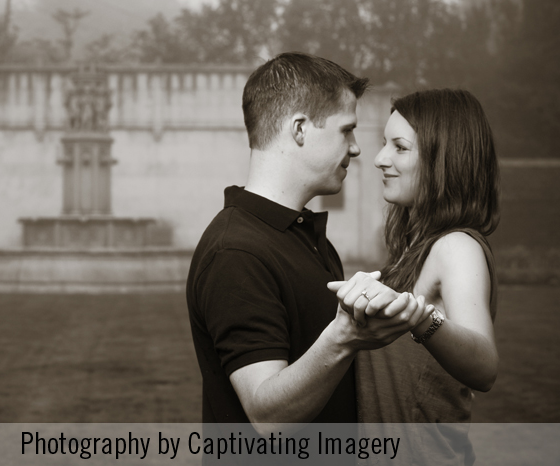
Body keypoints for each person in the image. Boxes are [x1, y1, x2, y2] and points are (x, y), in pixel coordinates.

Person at [185, 52, 434, 436]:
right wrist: (345, 337)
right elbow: (268, 417)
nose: (356, 148)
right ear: (299, 129)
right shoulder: (236, 252)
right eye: (346, 130)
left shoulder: (305, 237)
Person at [329, 89, 499, 464]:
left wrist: (420, 318)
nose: (379, 159)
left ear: (444, 160)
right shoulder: (416, 246)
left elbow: (485, 367)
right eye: (384, 144)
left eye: (400, 147)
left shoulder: (456, 248)